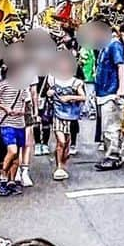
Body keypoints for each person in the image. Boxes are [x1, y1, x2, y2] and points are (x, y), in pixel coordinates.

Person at [0, 60, 31, 197]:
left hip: (20, 123)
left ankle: (12, 182)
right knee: (12, 151)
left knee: (16, 156)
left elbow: (25, 103)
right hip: (7, 123)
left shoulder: (23, 86)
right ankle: (3, 178)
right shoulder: (3, 85)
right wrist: (3, 107)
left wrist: (21, 111)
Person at [92, 18, 124, 171]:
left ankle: (113, 156)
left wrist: (121, 88)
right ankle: (112, 155)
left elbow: (121, 66)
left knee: (111, 126)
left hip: (111, 92)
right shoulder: (106, 45)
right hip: (104, 91)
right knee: (108, 126)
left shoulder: (114, 44)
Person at [45, 50, 86, 181]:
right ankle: (58, 167)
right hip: (57, 114)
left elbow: (83, 97)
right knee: (61, 142)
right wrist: (49, 93)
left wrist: (70, 97)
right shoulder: (52, 79)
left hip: (71, 115)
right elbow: (47, 93)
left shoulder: (76, 82)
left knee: (66, 143)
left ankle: (63, 164)